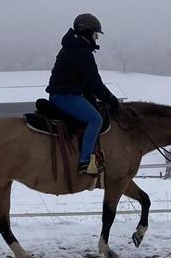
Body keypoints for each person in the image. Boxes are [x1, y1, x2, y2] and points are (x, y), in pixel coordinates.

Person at [46, 13, 120, 175]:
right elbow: (94, 82)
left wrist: (95, 98)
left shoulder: (73, 48)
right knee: (95, 119)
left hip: (65, 95)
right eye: (95, 34)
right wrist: (111, 100)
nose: (97, 38)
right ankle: (85, 162)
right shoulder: (81, 52)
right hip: (66, 97)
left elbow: (85, 82)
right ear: (86, 32)